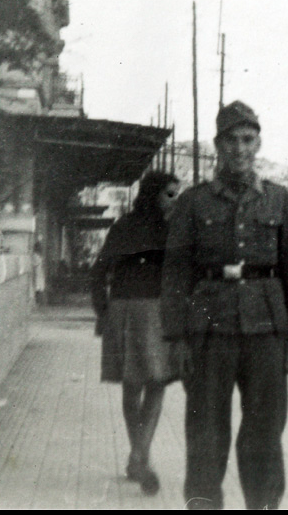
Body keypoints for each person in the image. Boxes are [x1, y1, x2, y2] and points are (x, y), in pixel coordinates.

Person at [161, 100, 288, 510]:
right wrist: (176, 337)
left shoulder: (279, 200)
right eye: (232, 140)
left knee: (265, 432)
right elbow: (175, 274)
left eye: (248, 139)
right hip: (209, 331)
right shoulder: (193, 202)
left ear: (258, 143)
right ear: (217, 145)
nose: (240, 149)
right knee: (205, 433)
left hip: (267, 329)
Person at [90, 170, 181, 496]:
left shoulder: (123, 226)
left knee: (134, 386)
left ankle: (138, 456)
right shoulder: (171, 230)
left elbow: (98, 271)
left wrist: (103, 312)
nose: (175, 200)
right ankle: (140, 455)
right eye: (170, 194)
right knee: (155, 384)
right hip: (153, 312)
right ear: (153, 194)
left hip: (127, 312)